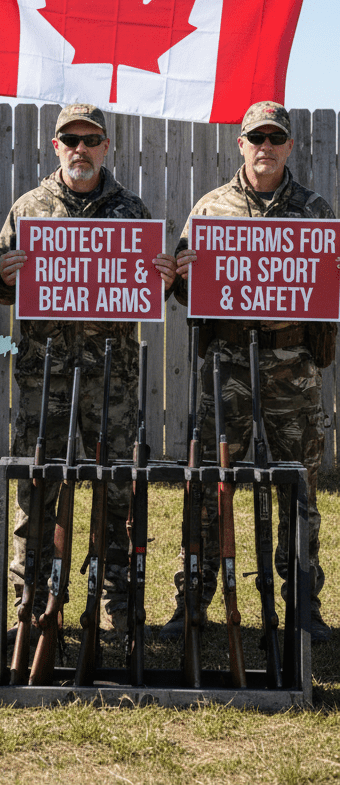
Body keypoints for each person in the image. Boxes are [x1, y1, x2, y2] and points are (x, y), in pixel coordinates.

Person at [0, 101, 176, 642]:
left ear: (105, 147)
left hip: (111, 379)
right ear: (56, 146)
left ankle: (117, 600)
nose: (80, 149)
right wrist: (4, 275)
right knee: (36, 489)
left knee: (117, 491)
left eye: (91, 139)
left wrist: (164, 279)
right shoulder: (28, 207)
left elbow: (151, 291)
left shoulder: (132, 211)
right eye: (70, 139)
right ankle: (30, 601)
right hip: (43, 376)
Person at [160, 100, 334, 644]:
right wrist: (183, 275)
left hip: (293, 371)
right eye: (256, 137)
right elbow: (183, 292)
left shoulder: (315, 211)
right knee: (208, 487)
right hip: (227, 369)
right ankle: (193, 601)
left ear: (289, 146)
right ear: (241, 144)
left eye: (275, 138)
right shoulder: (211, 208)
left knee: (298, 491)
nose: (266, 147)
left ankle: (303, 604)